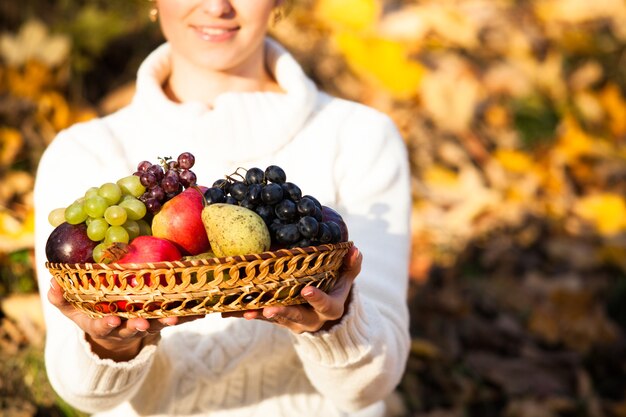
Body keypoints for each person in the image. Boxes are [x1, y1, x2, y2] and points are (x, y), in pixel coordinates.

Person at [33, 1, 412, 416]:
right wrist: (109, 344)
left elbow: (374, 384)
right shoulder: (82, 153)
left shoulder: (359, 137)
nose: (217, 6)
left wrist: (335, 327)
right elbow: (81, 394)